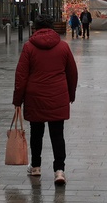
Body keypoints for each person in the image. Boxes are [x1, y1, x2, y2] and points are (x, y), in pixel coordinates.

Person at [13, 14, 78, 186]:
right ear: (52, 27)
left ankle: (35, 166)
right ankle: (59, 171)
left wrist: (17, 100)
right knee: (57, 135)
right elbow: (72, 73)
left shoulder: (29, 47)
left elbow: (21, 75)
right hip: (58, 96)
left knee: (36, 133)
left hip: (35, 97)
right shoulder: (63, 47)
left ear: (35, 28)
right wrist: (70, 94)